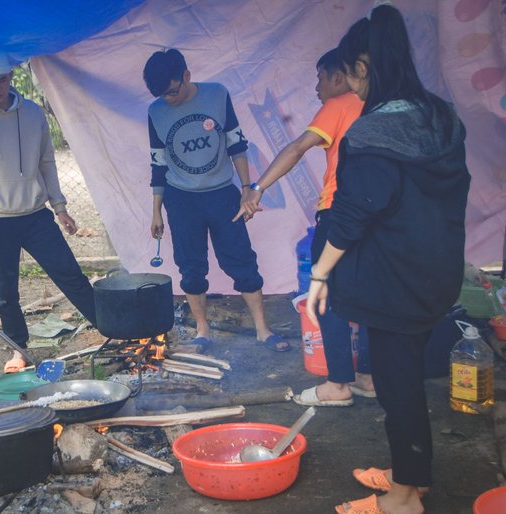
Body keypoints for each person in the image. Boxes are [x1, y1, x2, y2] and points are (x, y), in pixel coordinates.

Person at [306, 5, 470, 513]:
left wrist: (320, 271)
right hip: (437, 274)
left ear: (363, 65)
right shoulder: (441, 116)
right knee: (407, 381)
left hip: (394, 283)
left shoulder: (373, 133)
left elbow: (355, 213)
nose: (351, 87)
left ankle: (402, 499)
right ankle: (409, 475)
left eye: (352, 74)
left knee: (398, 390)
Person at [234, 48, 374, 406]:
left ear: (339, 78)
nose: (316, 87)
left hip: (338, 211)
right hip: (374, 214)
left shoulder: (340, 104)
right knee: (369, 293)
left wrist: (257, 188)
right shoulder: (378, 105)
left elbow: (297, 148)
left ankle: (339, 384)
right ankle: (369, 377)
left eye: (320, 78)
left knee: (325, 293)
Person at [0, 51, 97, 373]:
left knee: (69, 273)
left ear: (11, 78)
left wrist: (60, 207)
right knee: (6, 290)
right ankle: (19, 349)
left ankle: (108, 325)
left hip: (35, 214)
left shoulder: (32, 114)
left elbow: (47, 162)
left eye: (2, 80)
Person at [143, 48, 288, 352]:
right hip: (181, 199)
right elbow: (158, 163)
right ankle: (203, 330)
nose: (168, 99)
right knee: (191, 267)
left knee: (241, 259)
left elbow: (236, 143)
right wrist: (156, 210)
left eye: (171, 91)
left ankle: (263, 329)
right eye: (161, 95)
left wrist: (247, 187)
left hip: (222, 194)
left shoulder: (217, 95)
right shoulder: (155, 111)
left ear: (186, 76)